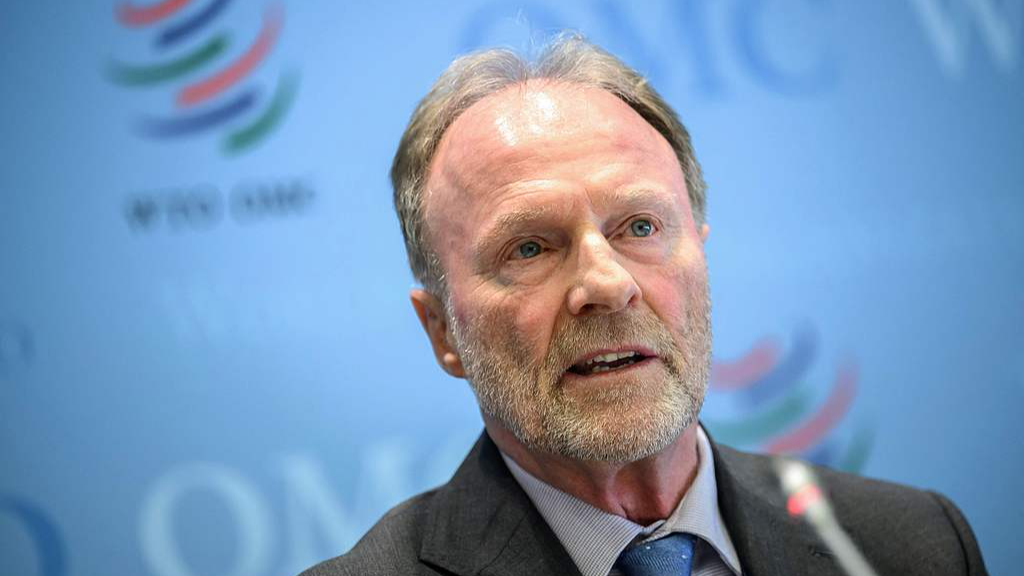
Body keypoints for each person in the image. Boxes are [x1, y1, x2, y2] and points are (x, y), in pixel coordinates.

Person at [301, 35, 988, 576]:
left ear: (701, 257)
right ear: (442, 329)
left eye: (639, 227)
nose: (606, 283)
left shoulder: (912, 545)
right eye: (531, 248)